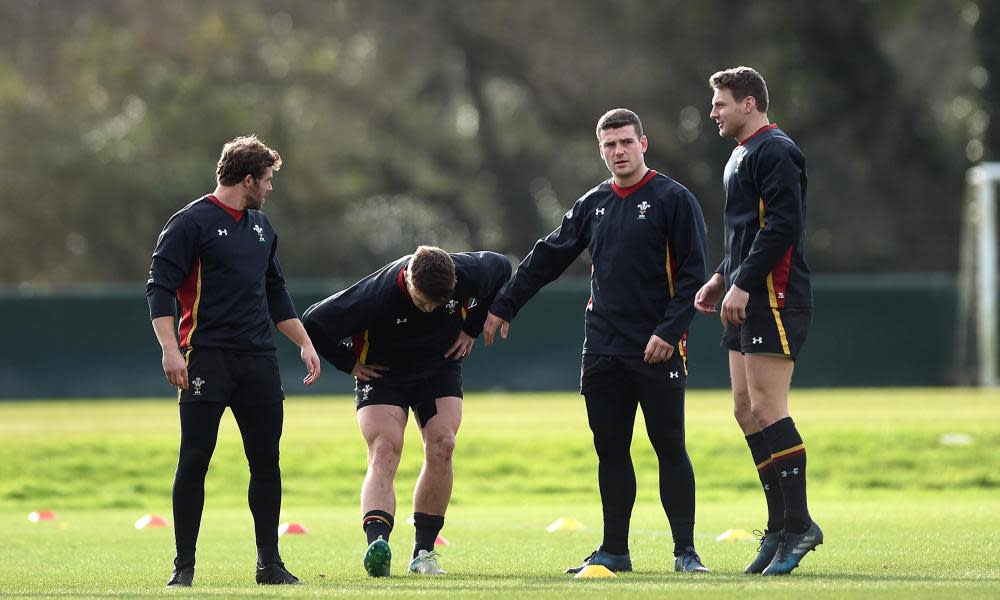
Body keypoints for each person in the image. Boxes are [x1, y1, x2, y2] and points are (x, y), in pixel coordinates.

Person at [483, 109, 710, 574]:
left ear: (643, 144)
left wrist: (669, 332)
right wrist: (506, 303)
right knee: (610, 448)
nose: (619, 152)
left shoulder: (674, 199)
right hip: (603, 347)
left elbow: (692, 277)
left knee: (669, 445)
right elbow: (548, 255)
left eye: (626, 142)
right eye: (610, 145)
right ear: (600, 150)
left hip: (655, 346)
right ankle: (614, 551)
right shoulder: (594, 203)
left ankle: (686, 553)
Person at [146, 135, 321, 588]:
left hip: (259, 360)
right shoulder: (191, 223)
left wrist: (303, 342)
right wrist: (170, 348)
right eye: (266, 180)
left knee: (266, 461)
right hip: (206, 357)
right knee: (195, 459)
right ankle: (183, 568)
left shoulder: (262, 227)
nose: (269, 188)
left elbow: (275, 291)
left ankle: (270, 564)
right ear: (247, 179)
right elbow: (159, 288)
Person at [301, 246, 511, 577]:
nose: (429, 308)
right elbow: (314, 320)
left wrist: (471, 327)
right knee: (385, 449)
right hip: (384, 373)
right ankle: (378, 546)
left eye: (437, 304)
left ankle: (424, 552)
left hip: (438, 367)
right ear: (409, 279)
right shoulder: (375, 296)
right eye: (422, 300)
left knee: (444, 444)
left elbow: (501, 268)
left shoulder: (467, 271)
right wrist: (348, 362)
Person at [695, 66, 822, 575]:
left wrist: (745, 282)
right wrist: (723, 276)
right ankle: (778, 526)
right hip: (746, 292)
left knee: (769, 407)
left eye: (720, 103)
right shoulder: (739, 155)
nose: (713, 112)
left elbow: (783, 226)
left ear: (749, 103)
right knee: (746, 410)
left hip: (775, 294)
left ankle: (800, 525)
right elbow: (747, 232)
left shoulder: (776, 149)